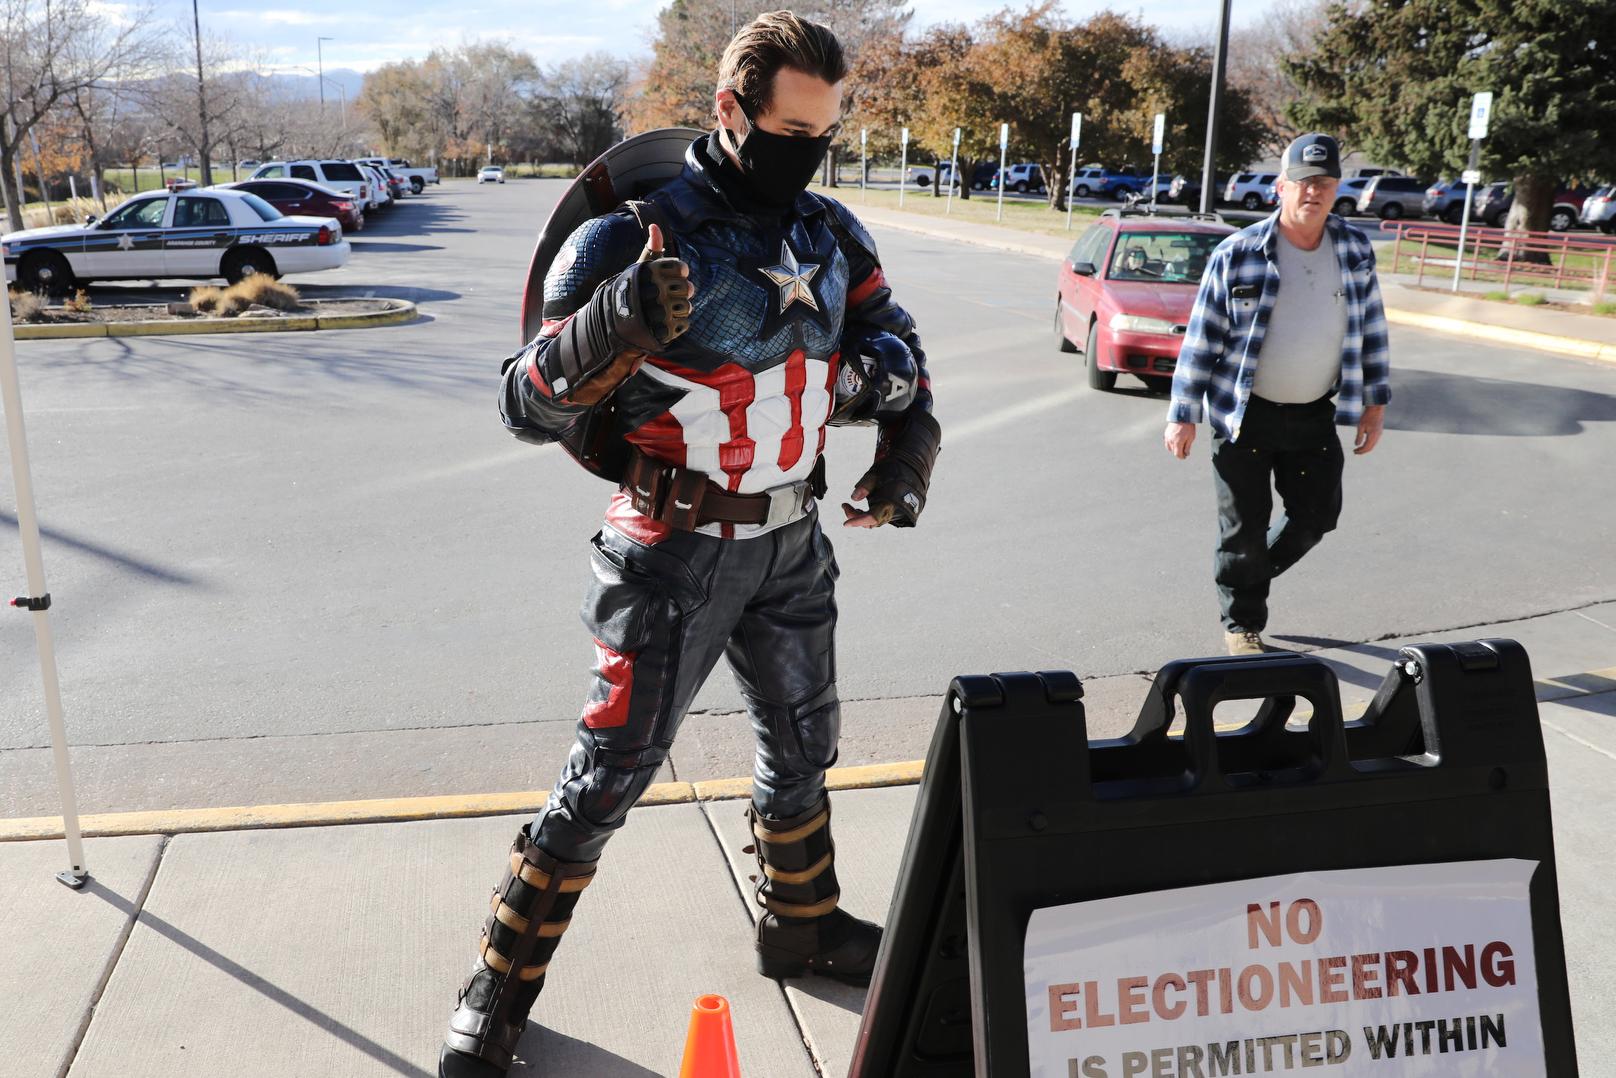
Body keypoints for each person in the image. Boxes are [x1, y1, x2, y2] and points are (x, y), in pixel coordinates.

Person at [437, 12, 941, 1077]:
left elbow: (899, 349)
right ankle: (495, 987)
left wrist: (902, 445)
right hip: (667, 544)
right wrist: (609, 322)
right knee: (607, 773)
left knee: (804, 747)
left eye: (825, 133)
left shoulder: (830, 233)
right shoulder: (628, 237)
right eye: (791, 131)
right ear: (729, 109)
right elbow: (521, 404)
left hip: (791, 541)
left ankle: (802, 922)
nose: (808, 153)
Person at [1162, 133, 1390, 655]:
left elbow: (1372, 328)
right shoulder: (1238, 252)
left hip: (1313, 413)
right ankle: (1242, 624)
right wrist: (1182, 414)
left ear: (1337, 190)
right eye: (1304, 183)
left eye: (1325, 183)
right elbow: (1202, 339)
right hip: (1243, 416)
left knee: (1317, 516)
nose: (1314, 192)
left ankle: (1246, 575)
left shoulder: (1354, 250)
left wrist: (1374, 405)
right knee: (1244, 526)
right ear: (1281, 187)